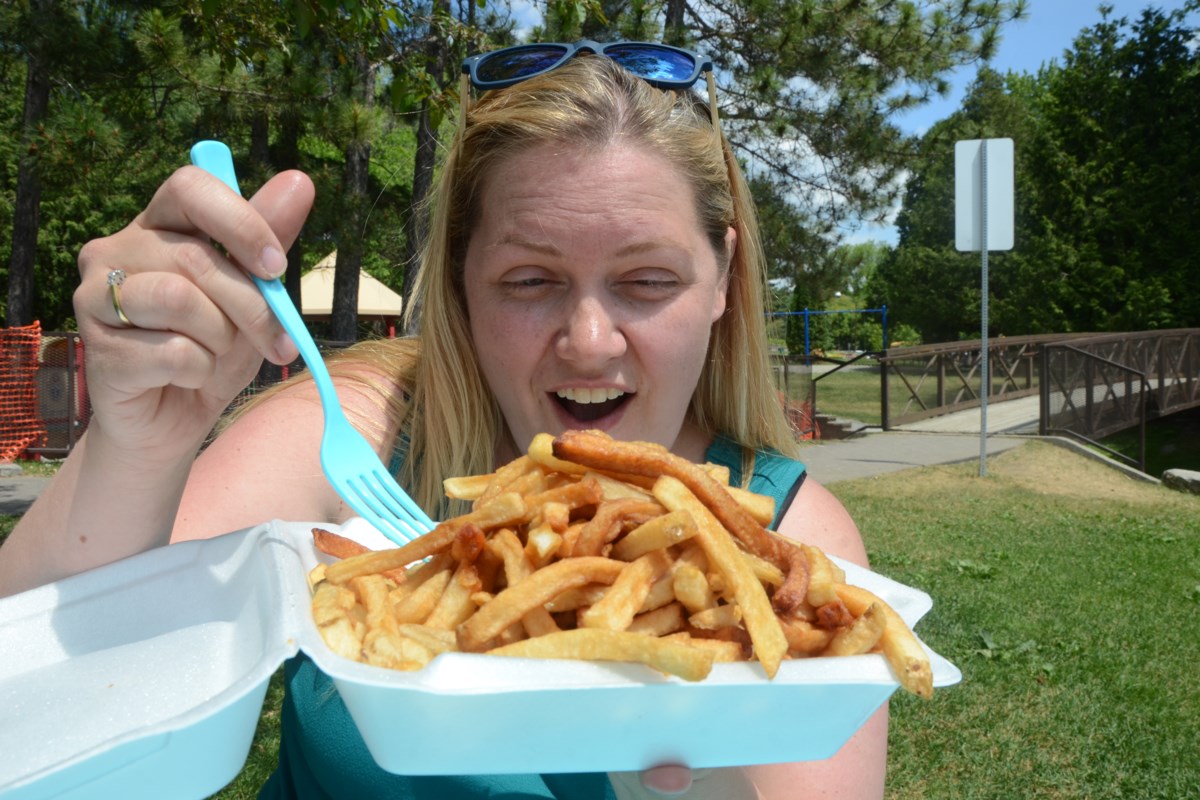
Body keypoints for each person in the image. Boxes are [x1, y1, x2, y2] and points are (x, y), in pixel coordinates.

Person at [0, 41, 887, 799]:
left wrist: (717, 769)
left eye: (648, 281)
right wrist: (137, 448)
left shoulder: (796, 553)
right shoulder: (365, 432)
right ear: (462, 280)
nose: (587, 341)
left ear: (724, 276)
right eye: (529, 281)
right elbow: (45, 666)